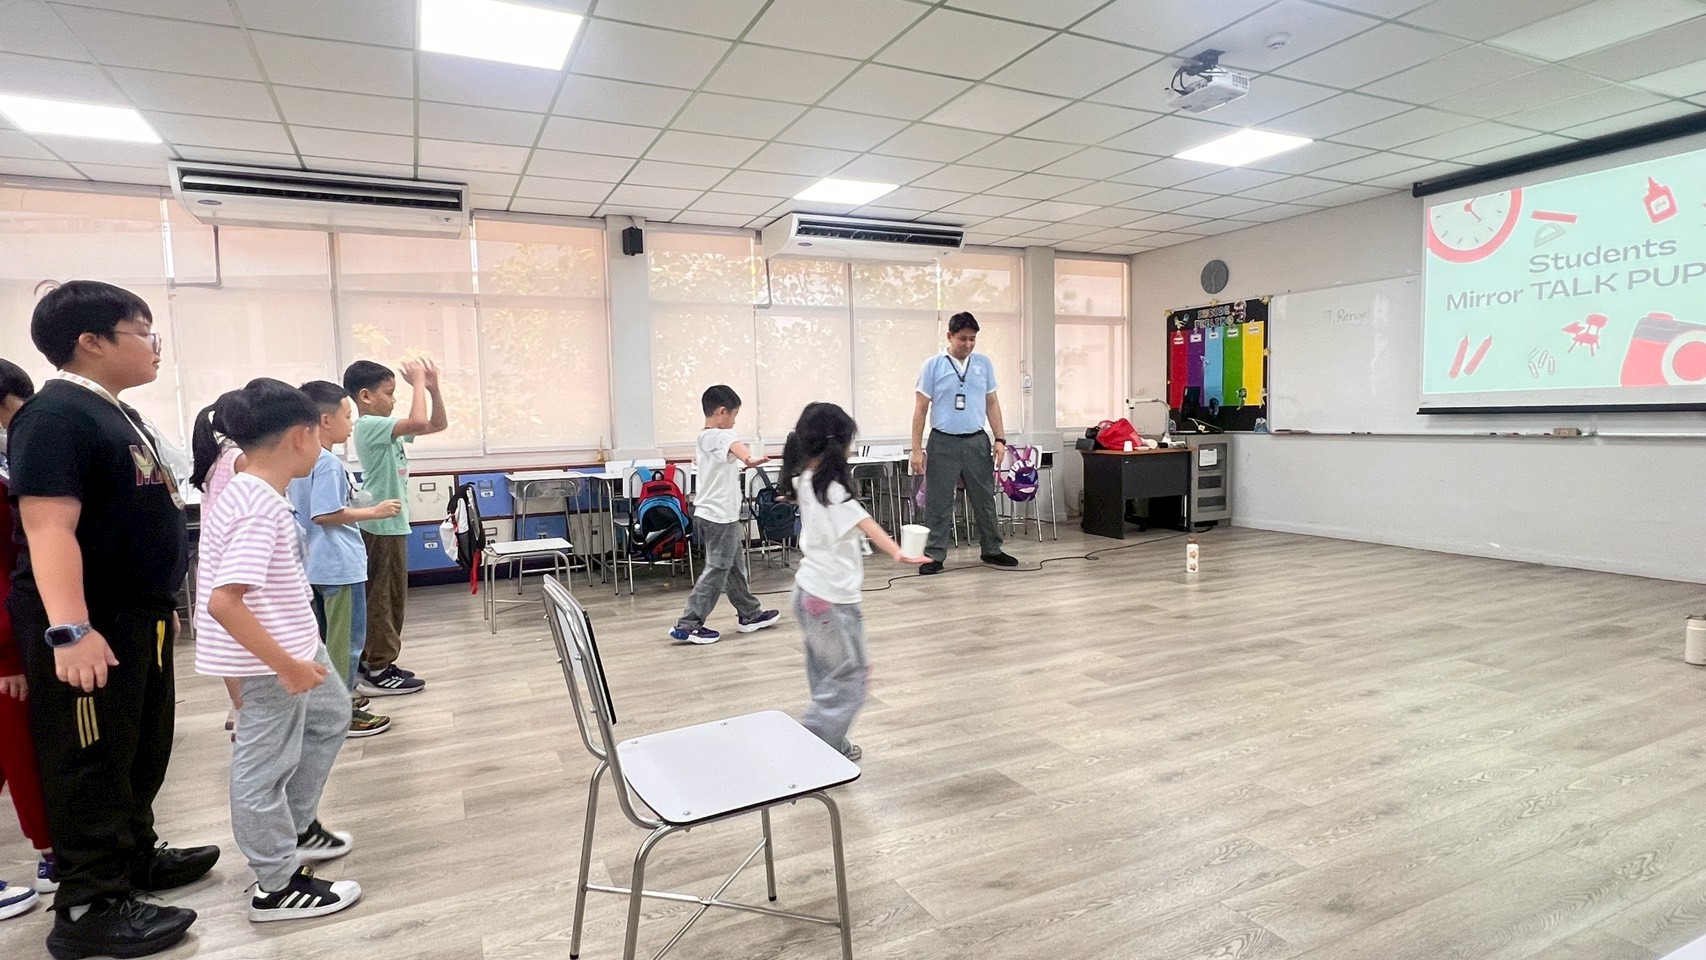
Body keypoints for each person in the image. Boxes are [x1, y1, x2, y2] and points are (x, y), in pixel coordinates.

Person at [8, 281, 216, 960]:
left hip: (136, 617)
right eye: (144, 333)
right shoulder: (55, 416)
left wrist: (157, 606)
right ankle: (89, 905)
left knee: (139, 748)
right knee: (90, 760)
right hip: (89, 624)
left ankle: (133, 858)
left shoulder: (112, 413)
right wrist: (70, 629)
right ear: (91, 342)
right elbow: (48, 529)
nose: (155, 347)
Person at [194, 379, 361, 922]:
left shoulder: (259, 490)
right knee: (263, 768)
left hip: (296, 641)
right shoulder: (257, 507)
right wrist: (284, 666)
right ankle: (276, 884)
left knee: (331, 715)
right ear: (300, 436)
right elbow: (224, 601)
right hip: (270, 659)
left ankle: (297, 826)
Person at [780, 403, 925, 761]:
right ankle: (811, 746)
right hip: (829, 602)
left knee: (827, 675)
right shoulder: (833, 491)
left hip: (810, 594)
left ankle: (833, 742)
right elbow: (868, 525)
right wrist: (899, 553)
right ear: (840, 445)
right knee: (851, 681)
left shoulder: (805, 480)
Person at [287, 381, 401, 738]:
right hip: (338, 566)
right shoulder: (327, 462)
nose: (352, 425)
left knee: (324, 641)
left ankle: (328, 704)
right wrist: (374, 512)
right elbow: (325, 513)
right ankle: (342, 712)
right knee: (345, 645)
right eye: (347, 416)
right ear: (325, 420)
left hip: (315, 565)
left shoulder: (300, 461)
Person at [342, 359, 445, 697]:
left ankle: (374, 661)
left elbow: (435, 424)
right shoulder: (369, 424)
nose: (394, 399)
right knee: (385, 599)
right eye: (389, 393)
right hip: (381, 525)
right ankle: (378, 670)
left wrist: (433, 389)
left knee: (390, 596)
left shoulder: (384, 426)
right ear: (365, 396)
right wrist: (418, 383)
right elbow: (419, 420)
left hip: (390, 523)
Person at [668, 385, 779, 644]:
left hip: (715, 514)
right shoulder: (719, 436)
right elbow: (733, 444)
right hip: (719, 516)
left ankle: (750, 614)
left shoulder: (705, 438)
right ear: (721, 412)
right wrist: (749, 459)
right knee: (718, 568)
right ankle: (689, 624)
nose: (734, 421)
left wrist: (745, 460)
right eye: (734, 415)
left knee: (734, 567)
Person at [0, 358, 47, 921]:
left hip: (15, 632)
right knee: (21, 751)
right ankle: (52, 852)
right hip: (8, 644)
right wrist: (8, 653)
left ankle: (50, 851)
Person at [189, 404, 249, 733]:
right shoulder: (238, 457)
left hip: (216, 556)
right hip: (232, 554)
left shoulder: (216, 455)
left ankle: (238, 708)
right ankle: (244, 713)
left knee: (230, 640)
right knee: (240, 639)